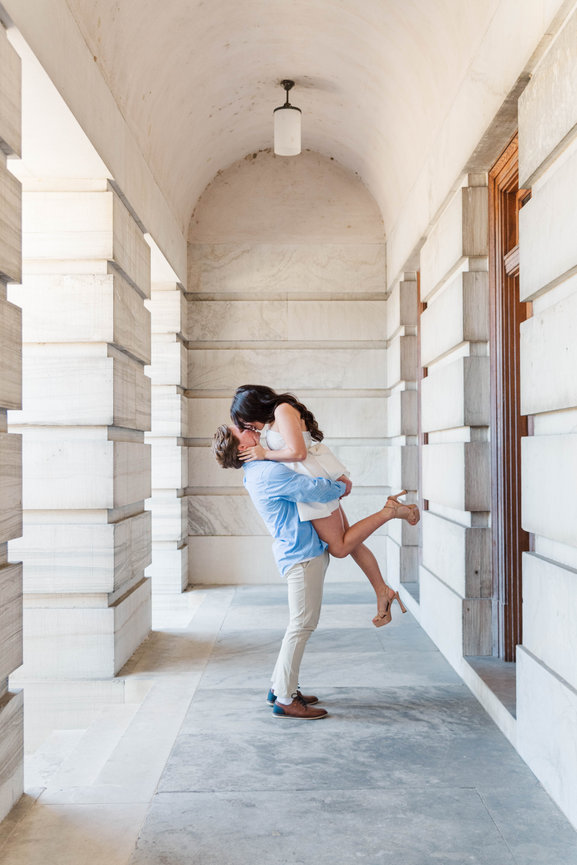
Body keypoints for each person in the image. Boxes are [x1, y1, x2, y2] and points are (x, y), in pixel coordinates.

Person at [230, 384, 420, 626]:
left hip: (312, 487)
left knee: (340, 547)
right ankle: (382, 590)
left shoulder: (283, 410)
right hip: (311, 482)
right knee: (351, 542)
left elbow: (298, 453)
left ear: (253, 407)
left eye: (246, 421)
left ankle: (390, 511)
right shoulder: (278, 415)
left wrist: (264, 454)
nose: (248, 427)